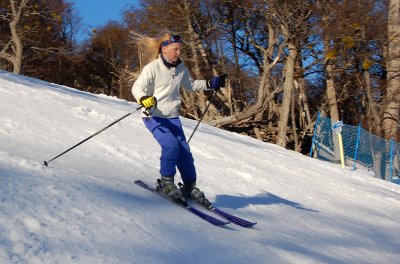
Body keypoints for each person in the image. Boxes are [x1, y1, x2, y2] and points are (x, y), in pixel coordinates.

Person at [132, 33, 226, 204]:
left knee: (185, 153)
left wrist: (209, 84)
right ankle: (167, 183)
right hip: (153, 116)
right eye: (175, 49)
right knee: (171, 146)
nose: (178, 53)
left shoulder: (181, 69)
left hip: (173, 117)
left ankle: (190, 186)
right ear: (164, 48)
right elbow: (137, 87)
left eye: (180, 50)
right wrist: (143, 99)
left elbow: (190, 85)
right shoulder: (153, 67)